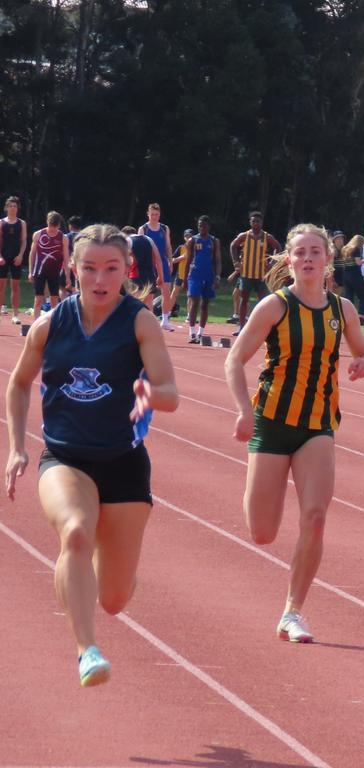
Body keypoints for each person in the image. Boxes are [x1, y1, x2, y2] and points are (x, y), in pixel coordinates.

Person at [5, 224, 178, 686]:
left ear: (126, 270)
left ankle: (101, 578)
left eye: (111, 269)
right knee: (76, 534)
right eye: (89, 268)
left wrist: (148, 393)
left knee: (116, 597)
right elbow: (19, 383)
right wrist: (17, 447)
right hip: (64, 457)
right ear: (72, 269)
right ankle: (87, 650)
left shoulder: (138, 320)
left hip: (124, 461)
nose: (100, 279)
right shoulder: (49, 324)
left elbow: (171, 391)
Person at [224, 223, 364, 642]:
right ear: (289, 261)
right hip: (271, 422)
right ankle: (259, 487)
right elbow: (235, 360)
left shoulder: (341, 310)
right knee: (262, 532)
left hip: (318, 426)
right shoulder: (275, 306)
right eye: (300, 252)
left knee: (315, 516)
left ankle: (293, 611)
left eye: (315, 252)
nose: (308, 258)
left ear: (328, 259)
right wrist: (243, 411)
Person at [229, 211, 281, 335]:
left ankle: (264, 328)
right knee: (244, 300)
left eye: (258, 221)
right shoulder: (244, 236)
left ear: (261, 223)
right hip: (246, 274)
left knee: (263, 302)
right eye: (253, 221)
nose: (255, 223)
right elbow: (233, 246)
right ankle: (242, 327)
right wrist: (236, 262)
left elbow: (278, 247)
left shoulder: (267, 236)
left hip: (261, 275)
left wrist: (272, 263)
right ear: (250, 222)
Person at [138, 203, 175, 331]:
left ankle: (165, 320)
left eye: (157, 214)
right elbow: (139, 248)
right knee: (149, 294)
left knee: (166, 292)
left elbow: (168, 247)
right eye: (152, 214)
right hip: (149, 264)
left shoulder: (164, 228)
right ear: (148, 214)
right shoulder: (143, 229)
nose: (154, 217)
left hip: (163, 262)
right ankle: (149, 320)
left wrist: (170, 262)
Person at [185, 216, 221, 343]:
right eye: (199, 225)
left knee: (205, 304)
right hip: (195, 275)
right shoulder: (192, 241)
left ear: (208, 227)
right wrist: (184, 279)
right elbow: (188, 260)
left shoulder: (214, 241)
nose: (201, 228)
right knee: (194, 302)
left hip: (209, 275)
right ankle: (192, 333)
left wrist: (217, 277)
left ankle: (201, 332)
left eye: (204, 226)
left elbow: (217, 260)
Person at [28, 212, 71, 320]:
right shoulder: (38, 234)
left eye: (55, 226)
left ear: (59, 225)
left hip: (54, 272)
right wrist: (30, 271)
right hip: (39, 271)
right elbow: (32, 254)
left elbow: (66, 258)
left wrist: (67, 276)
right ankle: (36, 324)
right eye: (51, 226)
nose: (53, 229)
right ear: (47, 223)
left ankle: (53, 323)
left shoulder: (63, 237)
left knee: (54, 299)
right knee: (38, 299)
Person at [0, 195, 28, 324]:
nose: (12, 208)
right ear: (6, 208)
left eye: (15, 206)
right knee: (1, 286)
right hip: (3, 258)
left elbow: (24, 241)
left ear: (17, 208)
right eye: (10, 206)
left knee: (15, 287)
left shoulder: (22, 223)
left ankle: (15, 315)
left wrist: (21, 255)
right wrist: (0, 256)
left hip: (16, 257)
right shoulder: (1, 223)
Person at [121, 226, 161, 311]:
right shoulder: (148, 239)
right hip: (150, 275)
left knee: (134, 303)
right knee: (149, 303)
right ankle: (149, 323)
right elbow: (158, 258)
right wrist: (160, 276)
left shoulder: (127, 241)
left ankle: (134, 323)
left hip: (135, 275)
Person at [339, 234, 364, 325]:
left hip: (346, 275)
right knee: (363, 297)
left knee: (349, 297)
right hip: (355, 275)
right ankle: (360, 316)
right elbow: (358, 262)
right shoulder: (356, 249)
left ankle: (348, 316)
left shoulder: (345, 249)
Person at [169, 227, 193, 319]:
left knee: (190, 295)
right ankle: (168, 313)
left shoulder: (196, 248)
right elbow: (172, 260)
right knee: (174, 293)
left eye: (190, 236)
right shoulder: (181, 248)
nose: (188, 238)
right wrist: (182, 257)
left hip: (191, 275)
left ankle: (189, 315)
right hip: (180, 274)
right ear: (184, 237)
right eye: (186, 236)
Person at [65, 215, 83, 296]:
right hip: (80, 263)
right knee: (77, 285)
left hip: (67, 263)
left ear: (70, 226)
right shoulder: (84, 236)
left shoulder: (66, 237)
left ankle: (65, 303)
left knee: (63, 287)